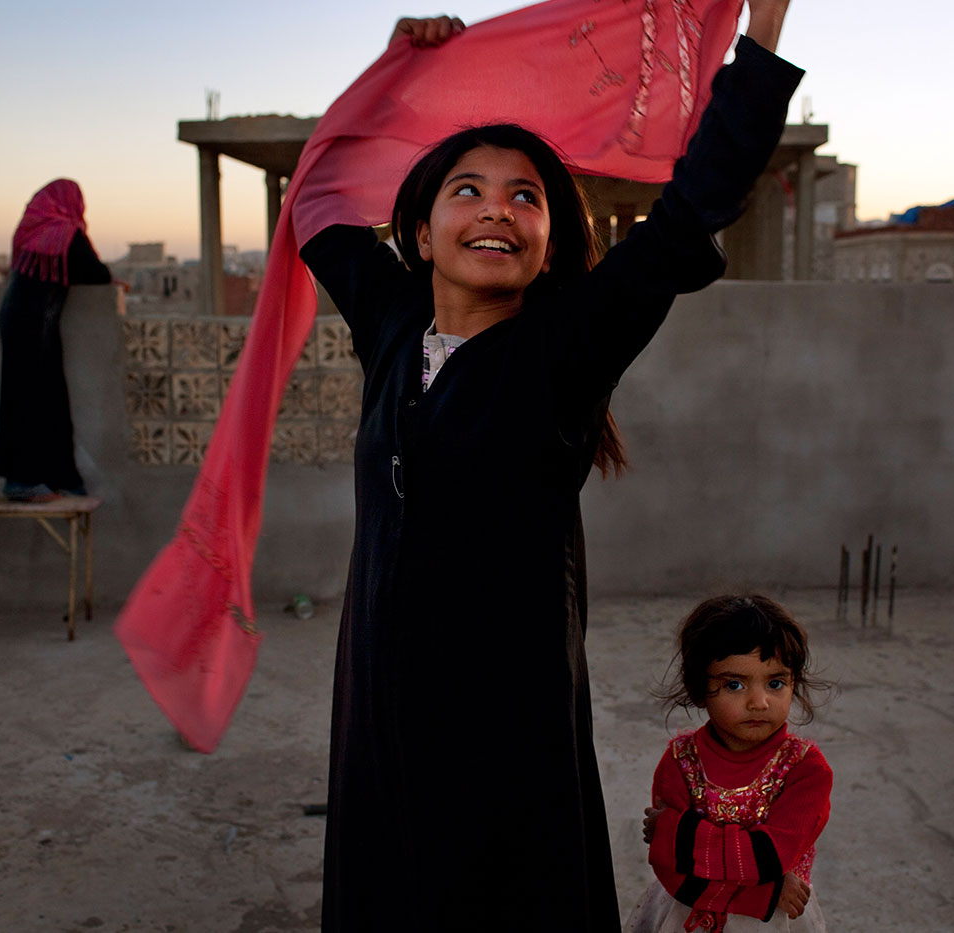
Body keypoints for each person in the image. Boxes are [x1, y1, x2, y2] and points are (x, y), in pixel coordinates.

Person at [295, 2, 804, 929]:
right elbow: (320, 200)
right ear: (419, 233)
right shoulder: (392, 320)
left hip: (502, 720)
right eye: (469, 189)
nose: (497, 207)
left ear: (547, 245)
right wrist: (397, 67)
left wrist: (758, 44)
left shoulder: (564, 349)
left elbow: (696, 204)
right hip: (377, 700)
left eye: (525, 196)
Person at [627, 594, 833, 933]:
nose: (759, 702)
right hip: (689, 912)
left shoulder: (806, 771)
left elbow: (770, 856)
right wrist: (760, 895)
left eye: (776, 683)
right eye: (734, 684)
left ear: (794, 683)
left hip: (776, 921)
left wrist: (677, 835)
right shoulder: (679, 761)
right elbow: (669, 867)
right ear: (697, 689)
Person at [0, 178, 111, 501]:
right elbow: (95, 273)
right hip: (33, 323)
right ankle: (21, 482)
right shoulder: (65, 235)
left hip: (23, 320)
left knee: (46, 397)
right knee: (32, 399)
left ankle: (62, 477)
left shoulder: (34, 232)